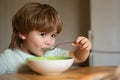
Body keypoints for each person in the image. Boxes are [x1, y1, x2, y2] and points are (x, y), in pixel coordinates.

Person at [0, 2, 91, 74]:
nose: (49, 42)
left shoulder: (52, 53)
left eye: (53, 35)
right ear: (23, 33)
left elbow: (77, 57)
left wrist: (84, 48)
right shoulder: (7, 58)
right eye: (43, 34)